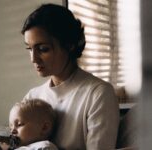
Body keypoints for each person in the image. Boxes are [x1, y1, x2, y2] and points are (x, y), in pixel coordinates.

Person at [21, 3, 120, 150]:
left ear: (69, 45)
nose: (34, 59)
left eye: (43, 49)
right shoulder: (32, 97)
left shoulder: (98, 94)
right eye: (29, 49)